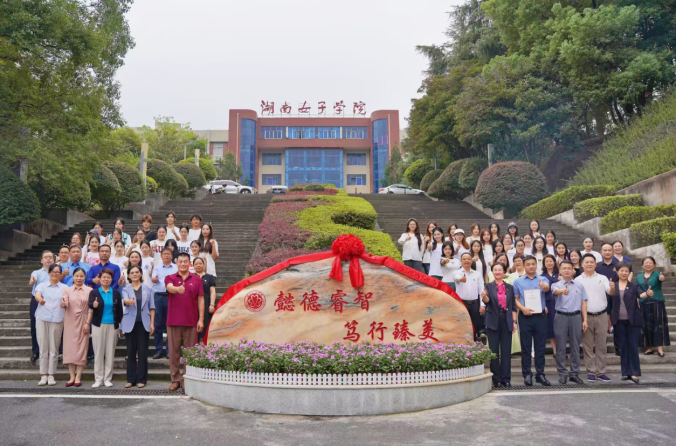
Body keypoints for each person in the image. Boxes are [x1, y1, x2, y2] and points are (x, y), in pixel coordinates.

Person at [165, 252, 205, 391]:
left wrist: (201, 319)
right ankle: (175, 379)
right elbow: (169, 288)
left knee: (190, 353)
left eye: (185, 261)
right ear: (176, 263)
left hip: (191, 321)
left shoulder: (197, 279)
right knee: (174, 352)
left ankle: (187, 379)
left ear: (189, 263)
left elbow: (201, 299)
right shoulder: (170, 277)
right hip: (173, 321)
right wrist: (177, 289)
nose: (182, 264)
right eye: (180, 261)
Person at [512, 255, 551, 386]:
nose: (531, 266)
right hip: (525, 316)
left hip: (540, 316)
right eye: (528, 264)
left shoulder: (542, 279)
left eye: (533, 264)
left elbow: (547, 288)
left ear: (536, 265)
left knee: (540, 347)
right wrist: (522, 308)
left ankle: (540, 374)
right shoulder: (518, 281)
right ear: (524, 266)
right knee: (526, 347)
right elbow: (515, 299)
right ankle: (527, 374)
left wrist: (543, 286)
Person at [575, 253, 613, 383]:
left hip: (601, 315)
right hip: (585, 316)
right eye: (587, 262)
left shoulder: (602, 278)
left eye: (592, 262)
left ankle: (601, 372)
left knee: (601, 345)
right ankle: (591, 372)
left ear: (595, 264)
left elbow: (609, 292)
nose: (589, 264)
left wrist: (612, 288)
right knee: (588, 345)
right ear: (582, 264)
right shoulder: (578, 280)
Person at [550, 261, 588, 385]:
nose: (566, 270)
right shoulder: (555, 285)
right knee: (560, 347)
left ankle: (574, 374)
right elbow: (555, 292)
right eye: (564, 268)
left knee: (575, 346)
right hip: (561, 316)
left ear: (573, 270)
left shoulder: (579, 285)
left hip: (576, 317)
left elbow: (583, 303)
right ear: (560, 271)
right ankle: (562, 374)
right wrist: (562, 291)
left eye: (568, 268)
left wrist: (585, 320)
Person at [482, 262, 517, 388]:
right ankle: (496, 379)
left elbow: (513, 306)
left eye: (500, 270)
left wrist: (514, 322)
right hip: (492, 320)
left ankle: (506, 379)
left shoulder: (509, 287)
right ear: (492, 272)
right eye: (495, 270)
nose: (497, 272)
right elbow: (487, 301)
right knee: (494, 351)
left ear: (504, 272)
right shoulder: (488, 286)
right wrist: (484, 297)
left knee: (506, 351)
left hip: (506, 320)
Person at [120, 265, 155, 388]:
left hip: (143, 324)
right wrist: (128, 301)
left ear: (141, 274)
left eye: (137, 272)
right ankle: (130, 379)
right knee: (130, 352)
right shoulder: (126, 289)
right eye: (132, 272)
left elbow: (152, 307)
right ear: (129, 276)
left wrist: (152, 323)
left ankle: (142, 379)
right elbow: (125, 300)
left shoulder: (148, 289)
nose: (134, 274)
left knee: (143, 352)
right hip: (129, 324)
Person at [88, 269, 123, 388]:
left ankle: (108, 378)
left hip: (112, 325)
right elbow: (90, 304)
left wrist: (119, 325)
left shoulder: (116, 293)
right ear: (99, 279)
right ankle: (98, 379)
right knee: (98, 352)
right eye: (104, 277)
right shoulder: (94, 292)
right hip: (98, 325)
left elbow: (119, 310)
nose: (106, 279)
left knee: (110, 352)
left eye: (108, 277)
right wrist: (94, 305)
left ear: (111, 279)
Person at [609, 262, 642, 383]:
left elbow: (641, 294)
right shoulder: (613, 285)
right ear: (617, 271)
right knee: (623, 347)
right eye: (621, 271)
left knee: (633, 347)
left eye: (626, 271)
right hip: (618, 321)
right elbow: (610, 300)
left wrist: (647, 294)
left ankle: (634, 373)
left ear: (629, 273)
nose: (624, 273)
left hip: (633, 321)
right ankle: (625, 372)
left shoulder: (634, 286)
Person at [34, 263, 67, 386]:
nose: (55, 274)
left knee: (54, 348)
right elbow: (37, 295)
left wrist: (64, 304)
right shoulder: (42, 285)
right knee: (43, 347)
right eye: (53, 272)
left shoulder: (65, 287)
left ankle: (51, 375)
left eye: (58, 272)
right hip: (42, 318)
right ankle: (43, 375)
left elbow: (66, 300)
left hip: (57, 319)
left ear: (61, 274)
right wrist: (40, 300)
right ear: (49, 273)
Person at [61, 268, 92, 387]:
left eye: (81, 276)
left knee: (82, 348)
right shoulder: (67, 290)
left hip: (84, 321)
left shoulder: (89, 290)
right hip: (70, 321)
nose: (79, 278)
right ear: (73, 277)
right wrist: (63, 304)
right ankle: (71, 376)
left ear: (85, 277)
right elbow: (65, 301)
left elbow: (91, 309)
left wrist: (88, 323)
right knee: (70, 349)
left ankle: (78, 376)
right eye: (77, 276)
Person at [636, 256, 669, 357]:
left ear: (654, 265)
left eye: (650, 262)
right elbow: (638, 289)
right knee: (646, 325)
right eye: (646, 262)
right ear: (642, 265)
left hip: (657, 302)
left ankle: (660, 348)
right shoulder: (639, 277)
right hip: (644, 302)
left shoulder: (658, 274)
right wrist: (638, 300)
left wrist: (662, 278)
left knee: (659, 324)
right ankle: (649, 347)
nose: (648, 264)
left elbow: (662, 278)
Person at [151, 248, 178, 359]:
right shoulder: (157, 267)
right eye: (164, 254)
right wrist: (154, 279)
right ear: (161, 256)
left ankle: (169, 351)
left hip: (171, 297)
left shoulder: (176, 268)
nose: (166, 255)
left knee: (170, 324)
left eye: (168, 254)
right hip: (158, 297)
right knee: (157, 324)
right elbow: (153, 278)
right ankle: (158, 350)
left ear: (172, 256)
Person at [29, 251, 54, 362]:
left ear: (54, 259)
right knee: (35, 326)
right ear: (41, 260)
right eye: (46, 257)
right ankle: (36, 351)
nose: (48, 259)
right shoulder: (37, 272)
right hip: (37, 301)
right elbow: (31, 281)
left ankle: (52, 351)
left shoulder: (56, 271)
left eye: (50, 257)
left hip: (53, 301)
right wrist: (32, 280)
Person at [453, 253, 484, 340]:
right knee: (462, 324)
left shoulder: (477, 274)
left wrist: (482, 305)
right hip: (462, 303)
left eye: (469, 259)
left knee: (474, 325)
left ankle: (473, 343)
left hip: (475, 303)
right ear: (461, 261)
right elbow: (456, 278)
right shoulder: (457, 272)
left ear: (471, 261)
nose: (466, 261)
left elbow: (481, 290)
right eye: (464, 259)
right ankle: (462, 344)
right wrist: (461, 279)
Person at [193, 257, 217, 342]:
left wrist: (212, 304)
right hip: (193, 304)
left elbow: (212, 292)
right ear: (193, 266)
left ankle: (203, 346)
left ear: (204, 265)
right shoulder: (191, 276)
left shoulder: (210, 277)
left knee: (205, 325)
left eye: (200, 263)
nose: (198, 265)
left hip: (206, 303)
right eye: (196, 264)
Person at [541, 254, 560, 357]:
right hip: (549, 303)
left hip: (560, 302)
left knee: (560, 326)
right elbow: (541, 293)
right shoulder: (542, 276)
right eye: (547, 261)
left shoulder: (560, 274)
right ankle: (555, 350)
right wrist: (543, 305)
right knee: (551, 326)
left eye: (551, 261)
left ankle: (561, 349)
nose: (549, 263)